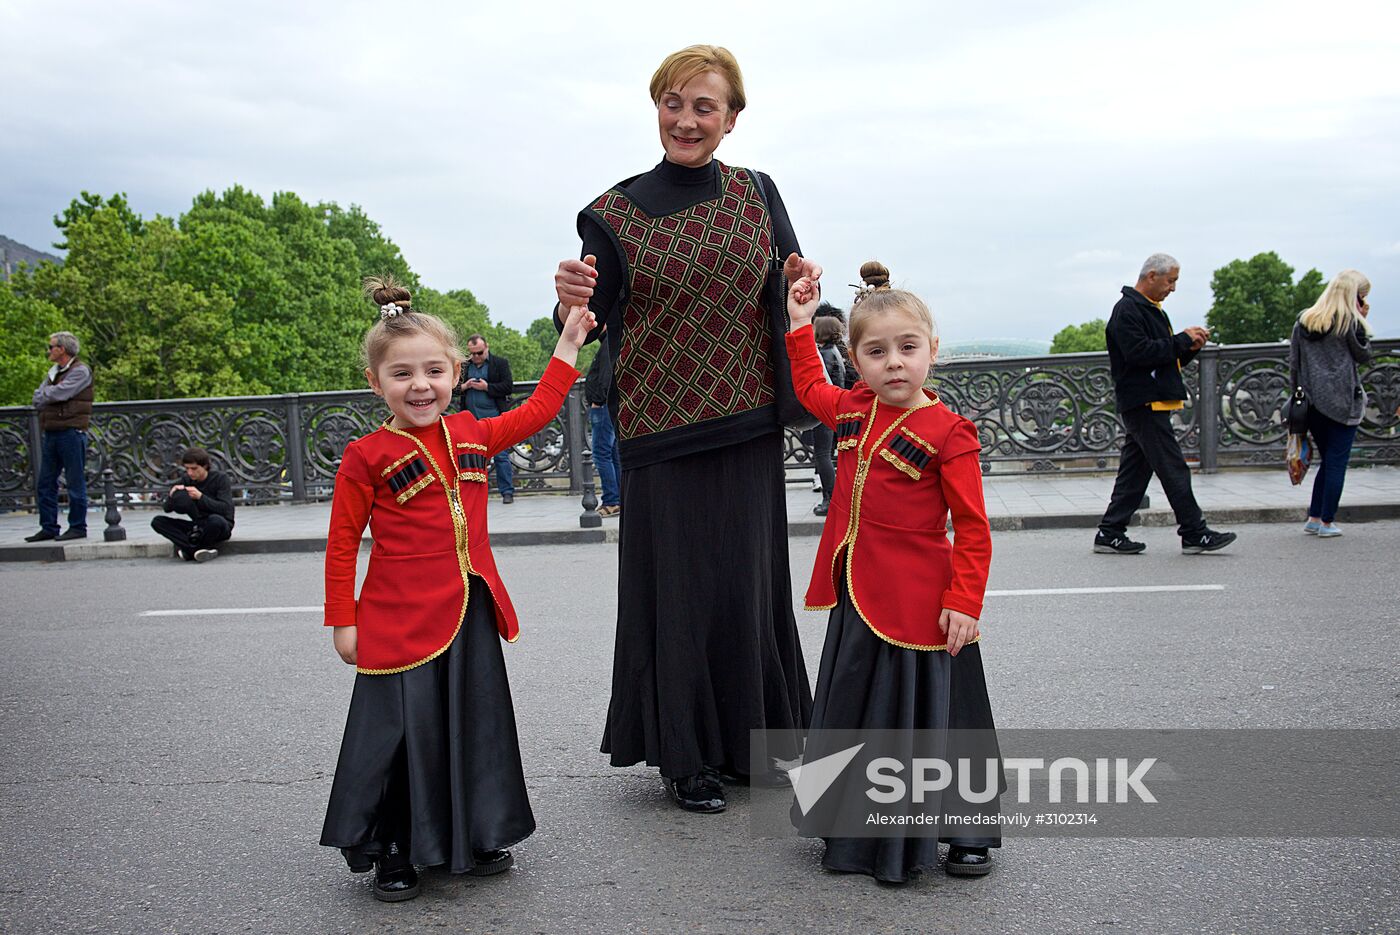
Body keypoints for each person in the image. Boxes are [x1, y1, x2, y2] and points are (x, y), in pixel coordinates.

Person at [551, 44, 816, 813]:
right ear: (656, 108)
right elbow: (585, 322)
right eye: (674, 102)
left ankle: (753, 743)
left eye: (705, 106)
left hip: (749, 420)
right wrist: (566, 297)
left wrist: (803, 281)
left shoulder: (759, 193)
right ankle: (686, 756)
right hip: (659, 433)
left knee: (747, 587)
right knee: (679, 594)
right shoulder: (612, 212)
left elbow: (789, 276)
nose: (687, 119)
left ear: (732, 119)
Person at [320, 275, 595, 902]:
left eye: (433, 371)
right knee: (400, 738)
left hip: (469, 609)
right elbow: (341, 544)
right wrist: (344, 620)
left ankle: (472, 832)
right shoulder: (366, 455)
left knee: (472, 724)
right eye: (402, 375)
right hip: (394, 620)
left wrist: (569, 345)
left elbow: (538, 410)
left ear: (453, 374)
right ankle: (392, 847)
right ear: (376, 383)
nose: (420, 386)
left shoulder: (471, 432)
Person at [784, 268, 1001, 883]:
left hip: (924, 607)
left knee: (941, 718)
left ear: (934, 349)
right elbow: (807, 386)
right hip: (857, 596)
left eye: (908, 348)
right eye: (876, 352)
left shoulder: (950, 433)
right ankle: (848, 830)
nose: (894, 363)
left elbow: (973, 529)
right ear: (856, 359)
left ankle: (965, 832)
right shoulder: (852, 408)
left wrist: (964, 600)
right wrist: (800, 324)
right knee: (856, 708)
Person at [1094, 254, 1237, 555]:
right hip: (1144, 402)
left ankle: (1110, 532)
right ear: (1151, 277)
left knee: (1135, 473)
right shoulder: (1128, 310)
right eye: (1170, 281)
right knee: (1173, 468)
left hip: (1150, 400)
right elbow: (1139, 354)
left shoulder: (1148, 309)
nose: (1172, 288)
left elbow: (1161, 358)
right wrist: (1182, 340)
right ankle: (1194, 532)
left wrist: (1189, 348)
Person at [1289, 269, 1373, 537]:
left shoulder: (1304, 321)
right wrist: (1362, 320)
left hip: (1311, 404)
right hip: (1342, 402)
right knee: (1337, 462)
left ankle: (1314, 517)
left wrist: (1297, 398)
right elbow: (1364, 356)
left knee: (1328, 461)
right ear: (1353, 297)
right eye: (1361, 296)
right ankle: (1327, 522)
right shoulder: (1349, 322)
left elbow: (1294, 363)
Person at [25, 331, 93, 542]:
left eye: (51, 346)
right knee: (45, 483)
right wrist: (47, 395)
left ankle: (77, 527)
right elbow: (39, 397)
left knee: (75, 482)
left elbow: (60, 393)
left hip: (71, 432)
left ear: (62, 349)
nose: (49, 350)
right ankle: (48, 527)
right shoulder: (54, 371)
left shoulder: (80, 371)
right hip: (52, 431)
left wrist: (47, 394)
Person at [458, 334, 517, 503]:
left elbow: (508, 386)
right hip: (471, 420)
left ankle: (507, 492)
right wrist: (465, 386)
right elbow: (451, 388)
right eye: (472, 354)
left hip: (495, 418)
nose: (475, 357)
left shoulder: (499, 363)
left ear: (487, 347)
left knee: (501, 456)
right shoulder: (464, 367)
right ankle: (475, 494)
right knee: (472, 459)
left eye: (479, 353)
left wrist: (487, 387)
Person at [150, 447, 235, 562]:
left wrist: (200, 497)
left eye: (194, 469)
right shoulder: (187, 480)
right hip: (197, 526)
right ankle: (198, 550)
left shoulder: (220, 479)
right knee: (158, 521)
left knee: (215, 520)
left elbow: (226, 509)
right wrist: (172, 495)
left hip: (219, 526)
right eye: (187, 469)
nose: (190, 472)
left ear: (204, 466)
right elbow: (167, 509)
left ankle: (189, 550)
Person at [811, 314, 848, 515]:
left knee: (822, 455)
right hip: (835, 409)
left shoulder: (824, 354)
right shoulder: (834, 351)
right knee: (828, 454)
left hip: (824, 410)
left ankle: (830, 499)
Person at [584, 338, 622, 517]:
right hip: (608, 405)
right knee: (613, 454)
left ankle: (612, 501)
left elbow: (607, 375)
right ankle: (619, 498)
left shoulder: (608, 343)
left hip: (602, 407)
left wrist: (598, 400)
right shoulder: (609, 342)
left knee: (601, 454)